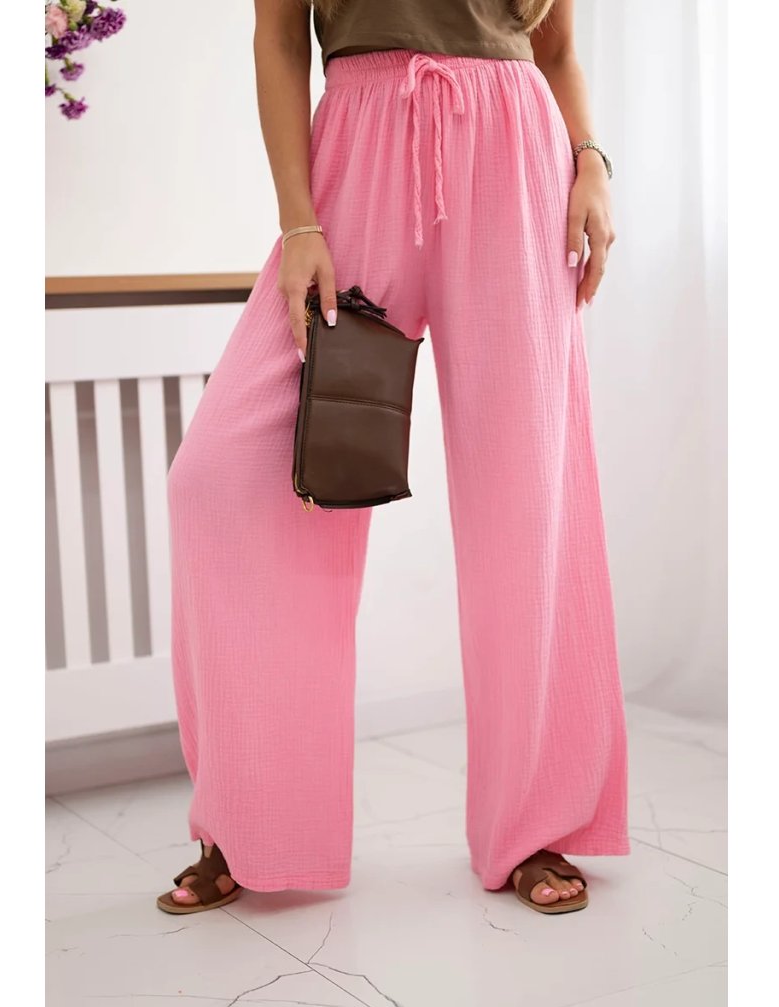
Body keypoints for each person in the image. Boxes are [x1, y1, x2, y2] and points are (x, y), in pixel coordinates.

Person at [156, 0, 628, 917]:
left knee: (527, 495)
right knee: (219, 480)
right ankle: (247, 821)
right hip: (359, 146)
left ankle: (535, 823)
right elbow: (279, 37)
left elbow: (558, 45)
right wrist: (299, 225)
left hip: (518, 158)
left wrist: (592, 164)